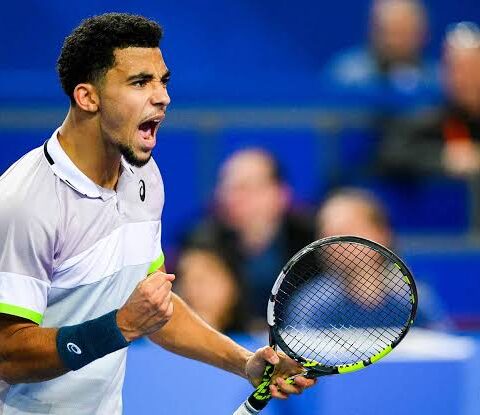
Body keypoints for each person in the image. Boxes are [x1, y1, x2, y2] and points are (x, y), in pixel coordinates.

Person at [0, 13, 314, 414]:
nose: (162, 96)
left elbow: (155, 310)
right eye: (139, 82)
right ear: (87, 97)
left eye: (162, 81)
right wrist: (118, 327)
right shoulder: (24, 204)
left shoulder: (144, 176)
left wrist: (244, 362)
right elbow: (7, 353)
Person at [185, 148, 315, 330]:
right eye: (226, 187)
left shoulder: (312, 240)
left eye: (243, 187)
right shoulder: (201, 242)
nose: (230, 197)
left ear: (280, 194)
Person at [315, 188, 453, 330]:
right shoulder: (312, 305)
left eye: (347, 230)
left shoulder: (417, 299)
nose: (336, 244)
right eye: (328, 235)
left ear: (382, 233)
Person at [377, 21, 480, 178]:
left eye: (472, 69)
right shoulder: (430, 119)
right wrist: (443, 157)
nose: (464, 80)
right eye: (456, 70)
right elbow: (391, 154)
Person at [322, 0, 440, 111]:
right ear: (372, 31)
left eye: (403, 32)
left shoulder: (440, 80)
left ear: (423, 34)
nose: (394, 42)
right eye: (388, 32)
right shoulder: (346, 75)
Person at [174, 244, 249, 334]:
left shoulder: (259, 342)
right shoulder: (157, 343)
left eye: (201, 280)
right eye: (184, 279)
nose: (192, 290)